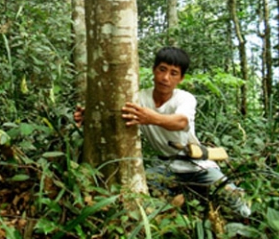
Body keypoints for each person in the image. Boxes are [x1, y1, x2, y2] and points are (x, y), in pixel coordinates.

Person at [74, 47, 250, 217]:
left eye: (173, 73)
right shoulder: (139, 97)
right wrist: (90, 117)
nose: (165, 78)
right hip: (167, 167)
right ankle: (181, 201)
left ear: (181, 78)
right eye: (162, 70)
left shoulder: (185, 98)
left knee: (237, 202)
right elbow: (115, 112)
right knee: (137, 191)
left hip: (197, 165)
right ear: (153, 70)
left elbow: (181, 121)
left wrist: (150, 117)